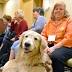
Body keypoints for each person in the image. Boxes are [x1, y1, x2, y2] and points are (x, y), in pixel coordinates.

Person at [41, 2, 72, 72]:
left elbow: (68, 38)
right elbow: (43, 35)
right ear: (53, 11)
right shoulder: (49, 22)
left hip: (66, 46)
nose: (58, 10)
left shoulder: (69, 20)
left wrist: (54, 48)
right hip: (50, 45)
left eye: (61, 9)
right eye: (56, 9)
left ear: (64, 11)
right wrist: (46, 46)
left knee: (55, 56)